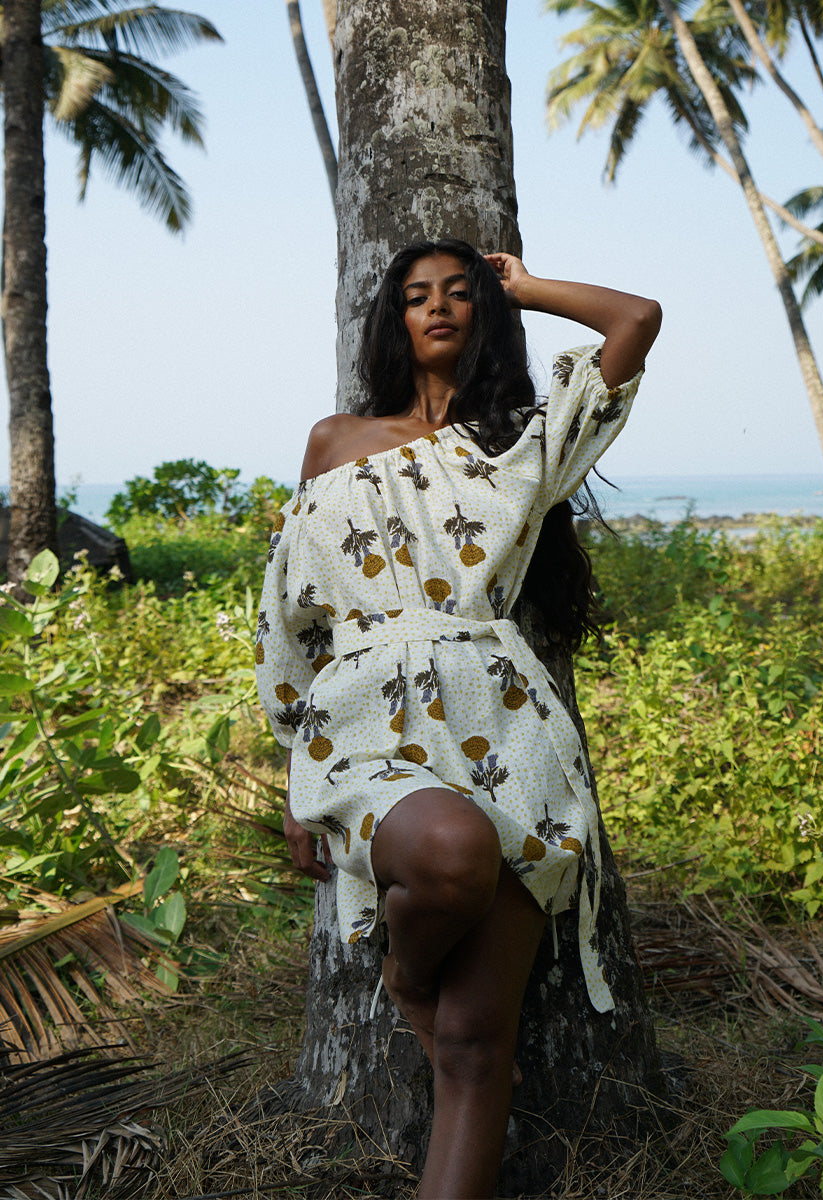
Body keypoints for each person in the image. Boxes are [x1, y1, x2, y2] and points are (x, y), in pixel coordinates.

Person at [255, 239, 661, 1200]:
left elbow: (634, 320)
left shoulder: (521, 443)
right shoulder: (333, 440)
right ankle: (405, 975)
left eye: (457, 294)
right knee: (446, 856)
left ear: (482, 310)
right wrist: (292, 778)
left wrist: (521, 283)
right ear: (392, 320)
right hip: (360, 722)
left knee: (476, 1053)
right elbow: (285, 618)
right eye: (414, 296)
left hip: (506, 726)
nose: (435, 308)